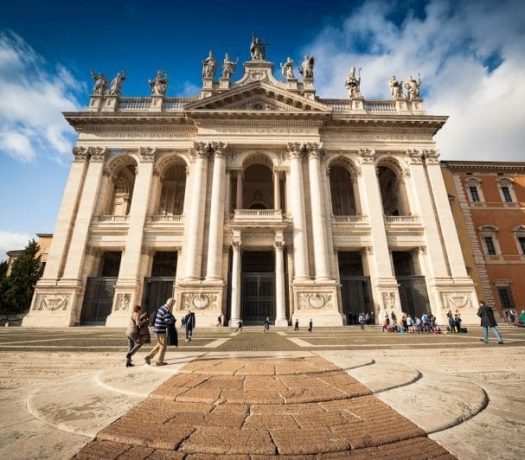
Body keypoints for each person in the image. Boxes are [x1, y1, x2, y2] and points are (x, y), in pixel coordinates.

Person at [145, 298, 175, 366]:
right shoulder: (166, 310)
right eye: (173, 304)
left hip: (158, 328)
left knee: (159, 344)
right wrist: (172, 319)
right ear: (171, 304)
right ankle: (159, 361)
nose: (173, 306)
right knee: (163, 346)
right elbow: (167, 320)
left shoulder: (161, 308)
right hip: (161, 329)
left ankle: (148, 357)